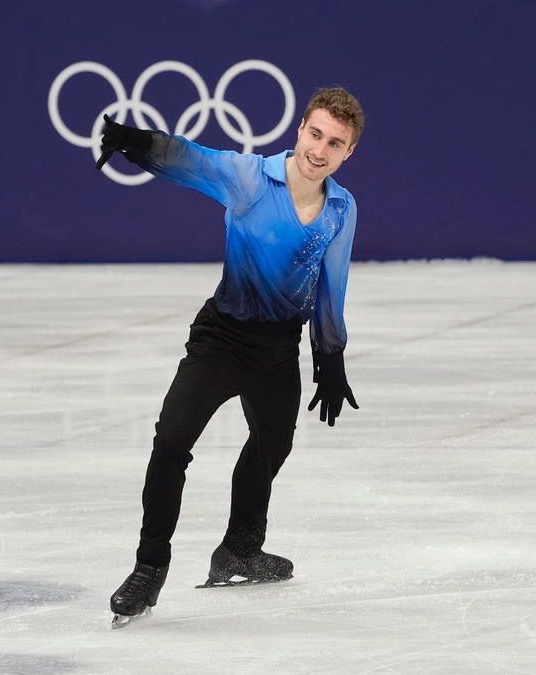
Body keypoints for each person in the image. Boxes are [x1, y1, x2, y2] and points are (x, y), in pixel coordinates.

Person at [98, 87, 365, 626]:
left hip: (279, 349)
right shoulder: (250, 179)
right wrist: (137, 143)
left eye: (335, 143)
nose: (320, 150)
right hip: (222, 339)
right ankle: (149, 567)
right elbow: (192, 159)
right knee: (171, 442)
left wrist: (330, 357)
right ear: (300, 130)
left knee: (273, 444)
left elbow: (330, 286)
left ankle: (240, 550)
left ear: (348, 152)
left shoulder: (341, 208)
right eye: (315, 135)